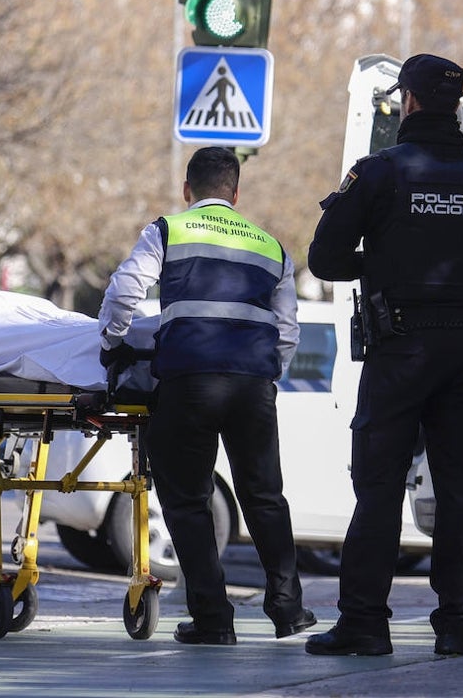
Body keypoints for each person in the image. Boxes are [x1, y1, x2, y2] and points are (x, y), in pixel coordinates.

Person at [304, 53, 463, 657]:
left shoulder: (379, 173)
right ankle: (457, 626)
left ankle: (364, 625)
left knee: (378, 487)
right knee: (459, 491)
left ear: (406, 101)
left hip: (401, 348)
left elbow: (325, 261)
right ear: (454, 105)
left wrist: (380, 264)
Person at [98, 145, 314, 645]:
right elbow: (287, 332)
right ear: (235, 193)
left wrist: (111, 343)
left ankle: (214, 620)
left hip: (188, 383)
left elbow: (124, 290)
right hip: (252, 387)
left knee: (189, 501)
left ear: (186, 190)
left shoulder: (168, 230)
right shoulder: (271, 247)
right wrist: (263, 375)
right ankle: (289, 609)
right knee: (264, 496)